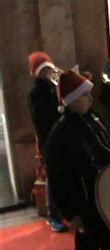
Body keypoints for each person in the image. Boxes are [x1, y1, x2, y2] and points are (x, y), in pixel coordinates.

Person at [45, 71, 110, 250]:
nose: (90, 98)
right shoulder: (61, 134)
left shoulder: (92, 118)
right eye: (84, 94)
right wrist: (72, 213)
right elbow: (58, 178)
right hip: (85, 204)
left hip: (105, 197)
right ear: (71, 100)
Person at [27, 51, 67, 232]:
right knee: (53, 178)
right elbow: (40, 120)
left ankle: (65, 211)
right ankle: (53, 215)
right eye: (44, 71)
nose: (48, 74)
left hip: (61, 135)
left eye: (49, 70)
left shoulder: (54, 86)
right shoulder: (36, 93)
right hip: (49, 140)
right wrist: (58, 109)